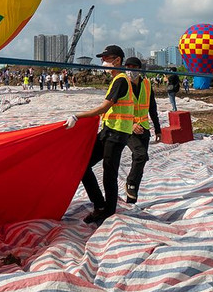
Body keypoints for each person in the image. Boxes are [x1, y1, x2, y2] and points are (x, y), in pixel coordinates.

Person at [64, 46, 162, 225]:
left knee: (110, 173)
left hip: (117, 134)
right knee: (83, 164)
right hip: (109, 130)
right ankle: (100, 204)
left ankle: (107, 211)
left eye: (106, 59)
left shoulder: (121, 81)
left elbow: (104, 107)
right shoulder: (119, 80)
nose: (103, 62)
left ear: (117, 60)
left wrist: (77, 116)